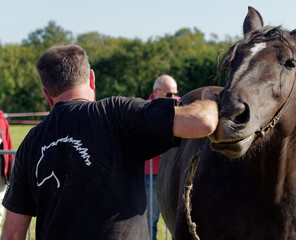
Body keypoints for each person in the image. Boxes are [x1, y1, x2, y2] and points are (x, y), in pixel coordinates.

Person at [1, 44, 219, 240]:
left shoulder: (31, 142)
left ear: (46, 95)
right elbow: (203, 122)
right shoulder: (116, 114)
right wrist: (210, 98)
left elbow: (12, 234)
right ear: (92, 79)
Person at [145, 75, 180, 240]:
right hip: (151, 174)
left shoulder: (182, 104)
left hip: (174, 172)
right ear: (155, 92)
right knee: (150, 219)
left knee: (176, 219)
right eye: (169, 95)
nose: (173, 98)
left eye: (174, 94)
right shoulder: (143, 108)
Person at [0, 110, 13, 226]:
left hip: (1, 174)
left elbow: (8, 146)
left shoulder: (3, 121)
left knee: (0, 203)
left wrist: (10, 172)